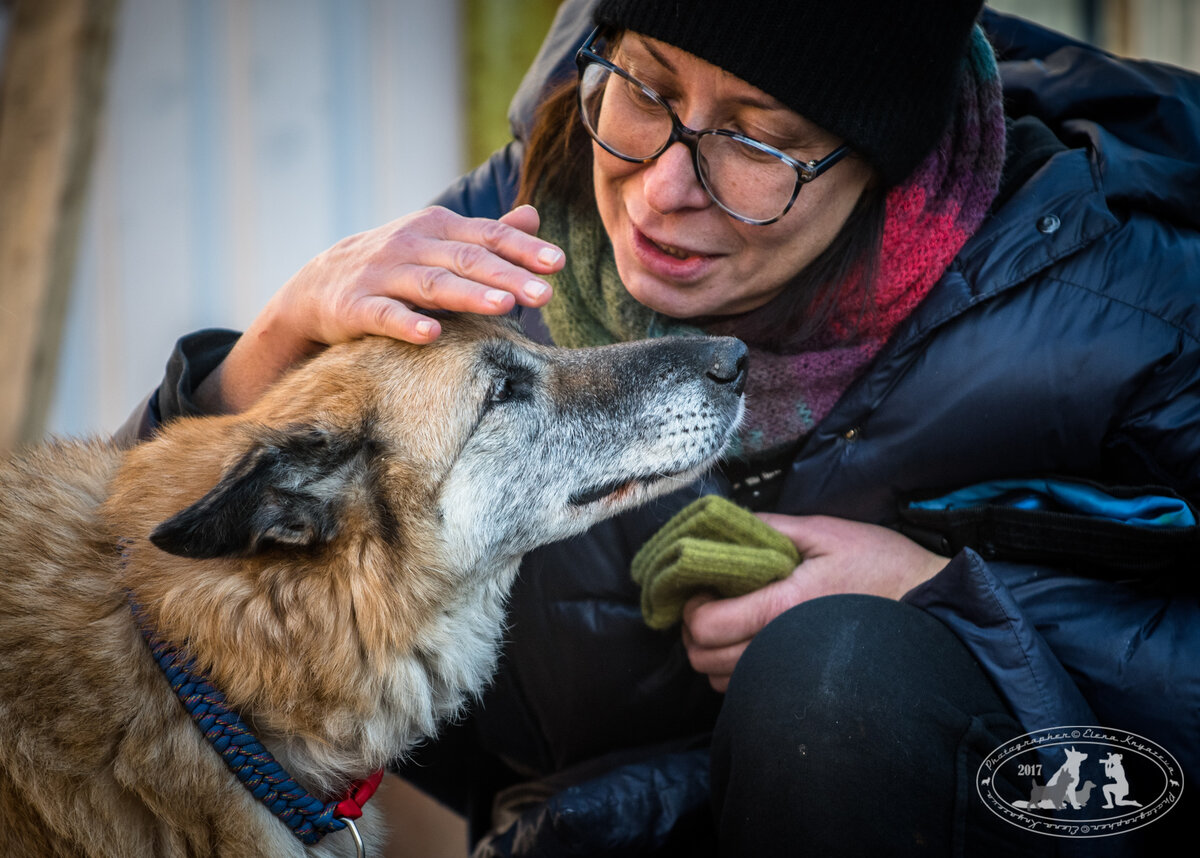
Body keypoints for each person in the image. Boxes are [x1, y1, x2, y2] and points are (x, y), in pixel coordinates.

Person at [121, 0, 1200, 854]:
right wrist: (266, 352)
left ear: (883, 159)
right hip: (593, 829)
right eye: (644, 83)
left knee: (835, 679)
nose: (660, 189)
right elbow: (126, 612)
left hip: (1036, 808)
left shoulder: (1126, 305)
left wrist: (942, 596)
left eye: (757, 141)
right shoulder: (511, 234)